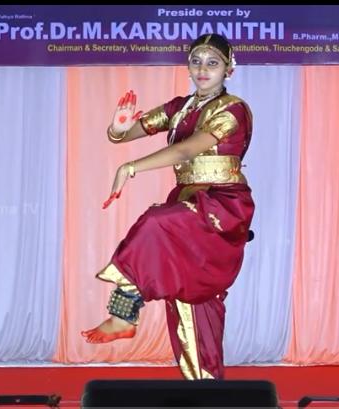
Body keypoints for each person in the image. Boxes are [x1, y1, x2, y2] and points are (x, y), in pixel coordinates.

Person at [80, 33, 254, 380]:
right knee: (192, 301)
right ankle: (205, 384)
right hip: (189, 199)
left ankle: (124, 311)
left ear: (228, 69)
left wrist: (131, 167)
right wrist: (117, 129)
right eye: (196, 62)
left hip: (222, 205)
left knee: (156, 223)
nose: (203, 69)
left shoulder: (232, 109)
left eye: (213, 63)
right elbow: (130, 132)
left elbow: (187, 150)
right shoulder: (180, 108)